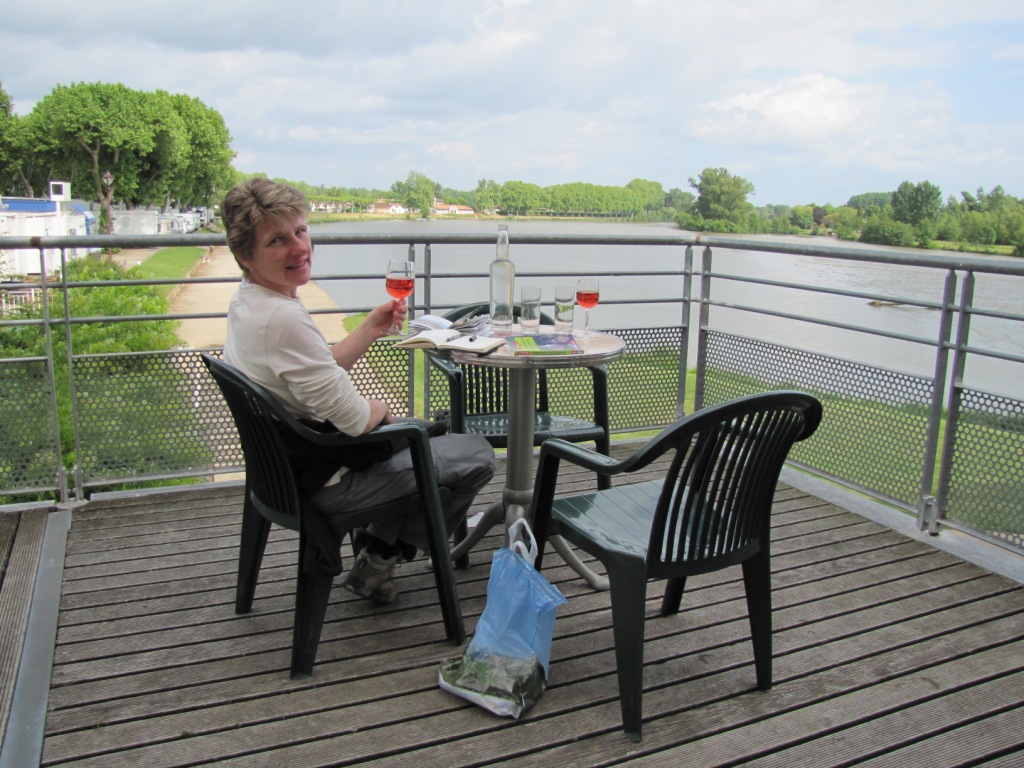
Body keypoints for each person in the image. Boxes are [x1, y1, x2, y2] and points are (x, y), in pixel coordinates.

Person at [220, 178, 495, 605]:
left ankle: (377, 549)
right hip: (323, 481)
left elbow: (314, 368)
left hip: (283, 471)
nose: (299, 247)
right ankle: (381, 554)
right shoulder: (282, 319)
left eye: (300, 231)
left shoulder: (248, 303)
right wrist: (385, 410)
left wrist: (369, 328)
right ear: (245, 256)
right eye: (278, 240)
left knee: (424, 437)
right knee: (474, 454)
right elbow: (354, 420)